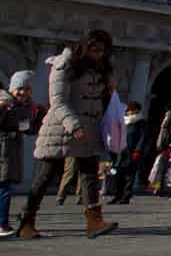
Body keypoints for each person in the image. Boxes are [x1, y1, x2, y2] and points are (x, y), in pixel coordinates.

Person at [16, 30, 119, 239]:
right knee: (46, 175)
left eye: (103, 50)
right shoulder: (64, 64)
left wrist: (110, 89)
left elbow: (101, 103)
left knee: (90, 173)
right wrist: (74, 125)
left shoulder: (101, 70)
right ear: (84, 46)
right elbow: (58, 101)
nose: (98, 54)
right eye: (94, 48)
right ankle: (27, 221)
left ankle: (94, 221)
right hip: (61, 128)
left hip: (89, 128)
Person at [0, 70, 39, 236]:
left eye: (27, 89)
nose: (23, 92)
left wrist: (38, 118)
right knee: (4, 188)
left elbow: (28, 129)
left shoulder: (26, 106)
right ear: (13, 88)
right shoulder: (4, 102)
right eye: (20, 89)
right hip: (2, 149)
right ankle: (2, 224)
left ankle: (3, 223)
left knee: (5, 186)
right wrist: (2, 108)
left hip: (12, 150)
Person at [107, 100, 148, 205]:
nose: (130, 112)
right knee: (118, 175)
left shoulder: (141, 122)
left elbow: (142, 138)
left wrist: (138, 151)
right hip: (121, 152)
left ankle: (126, 197)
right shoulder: (123, 121)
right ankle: (117, 195)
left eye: (132, 110)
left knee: (129, 176)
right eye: (129, 110)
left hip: (132, 152)